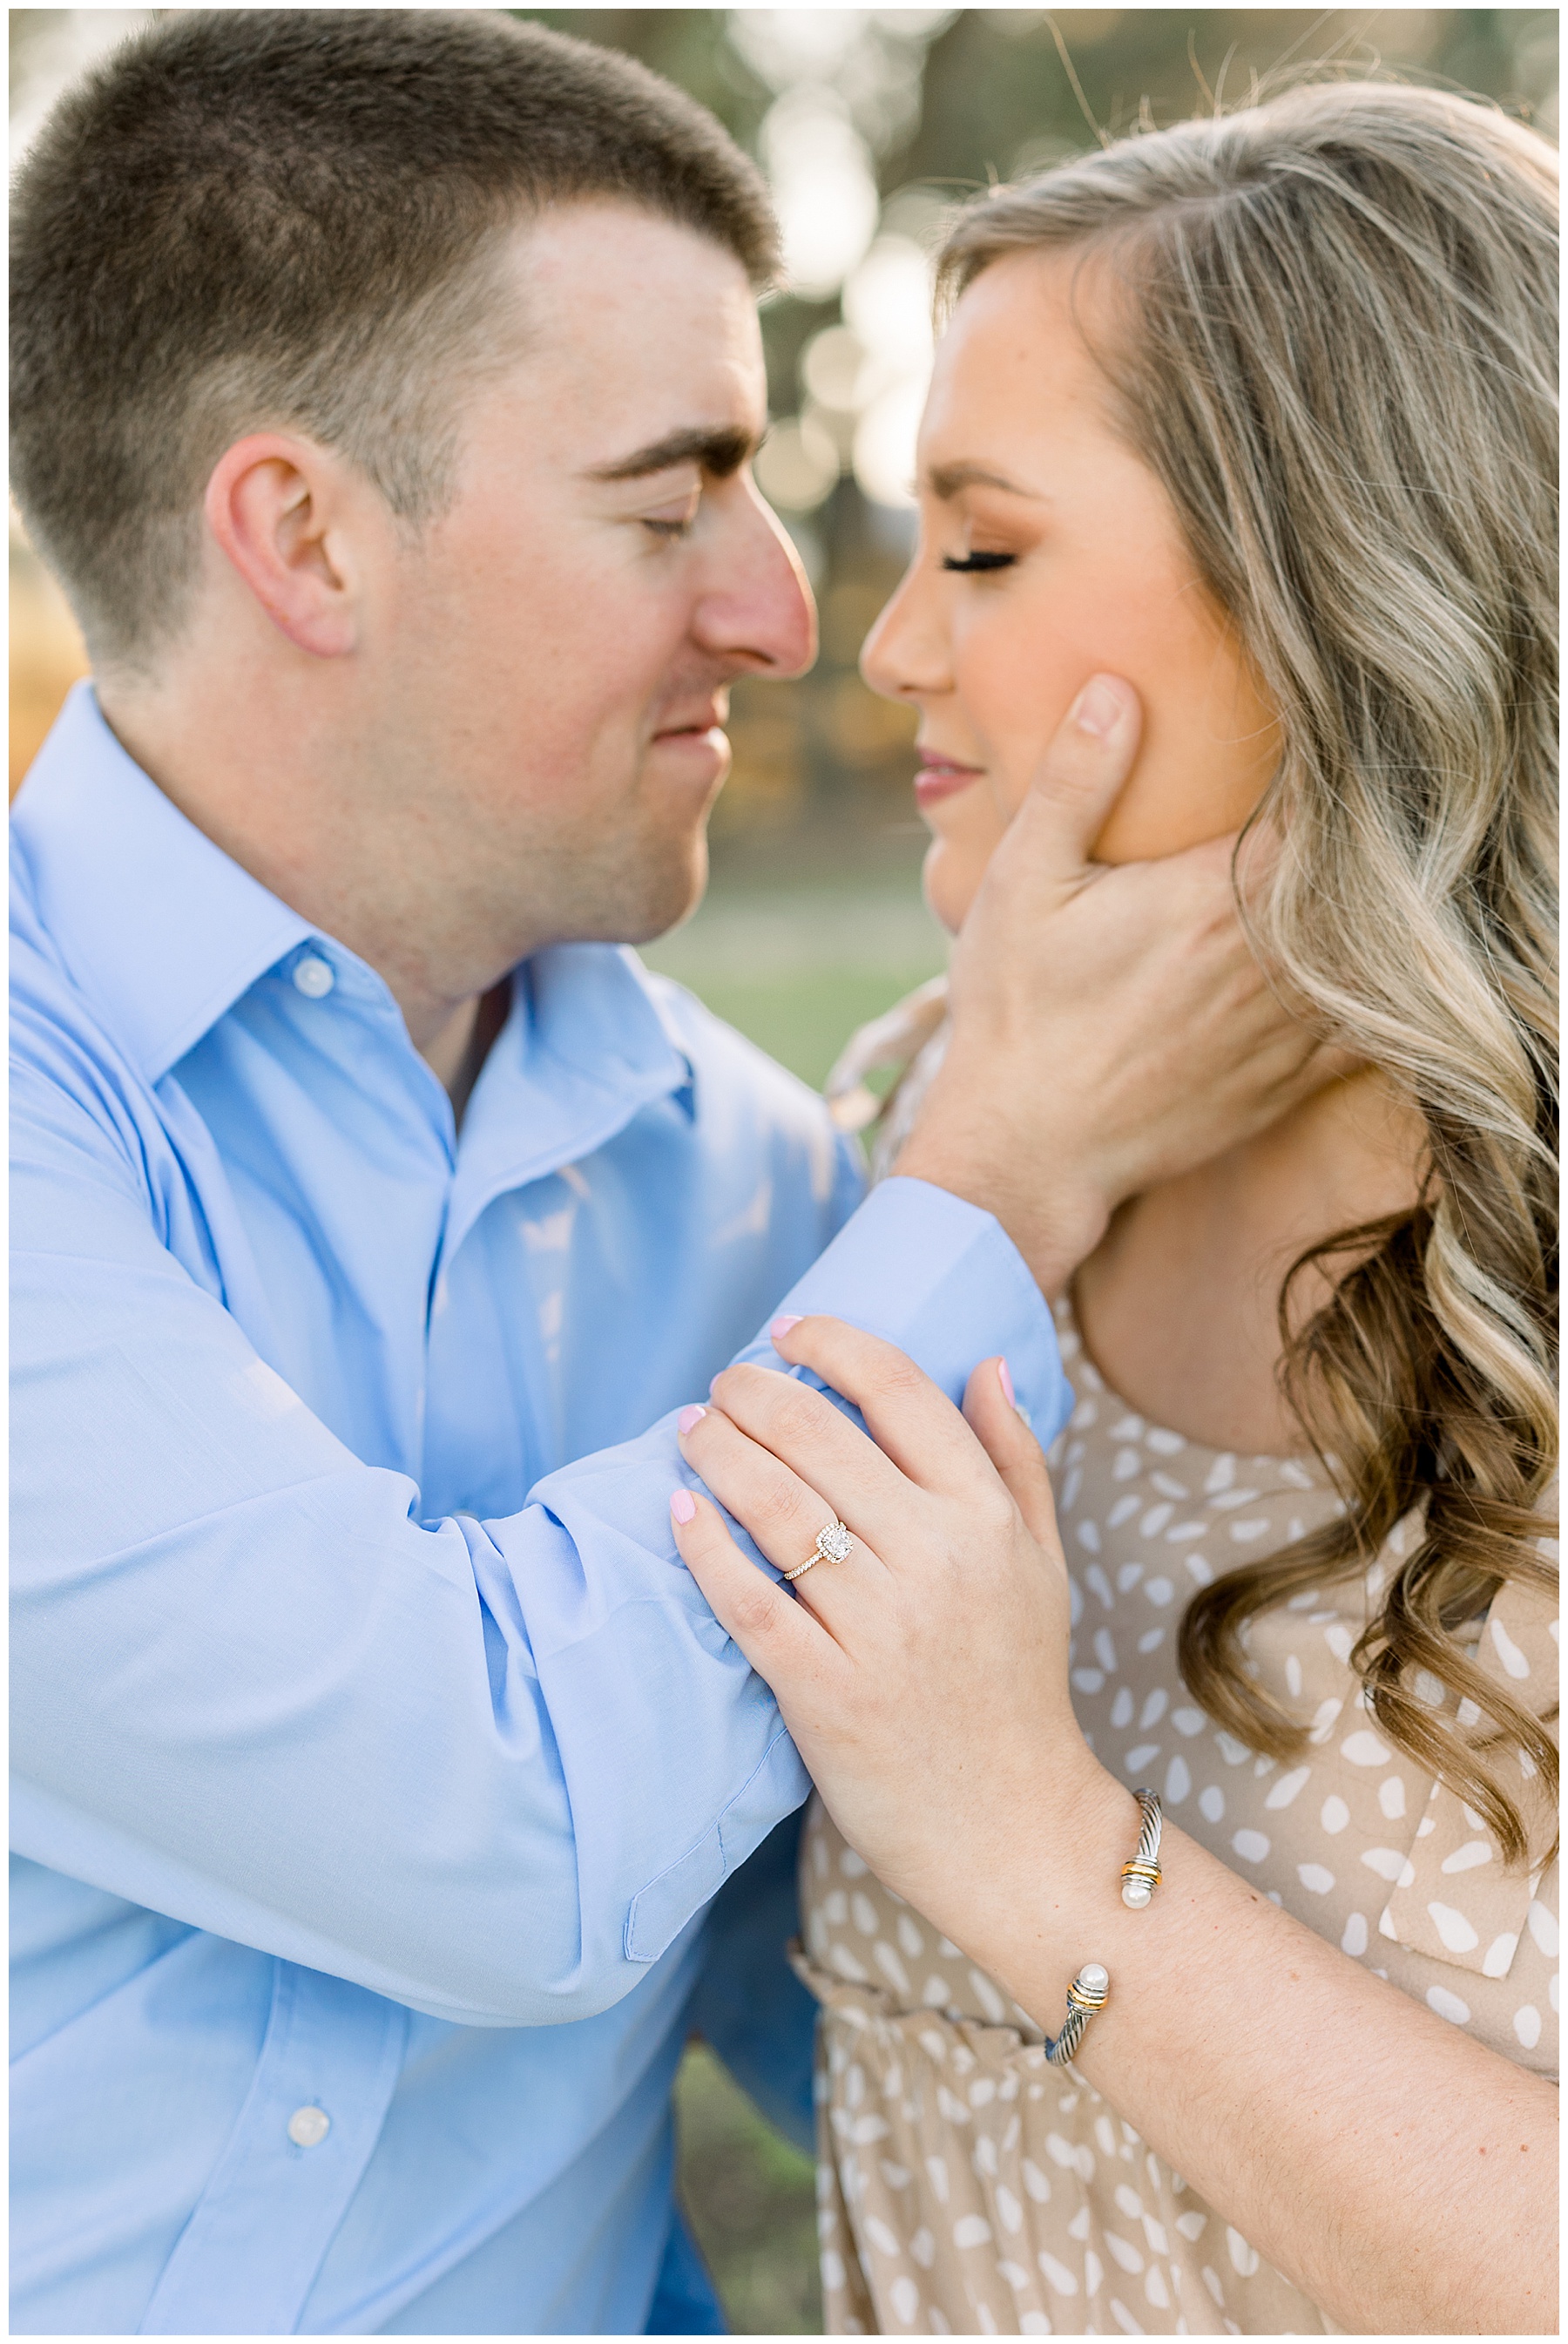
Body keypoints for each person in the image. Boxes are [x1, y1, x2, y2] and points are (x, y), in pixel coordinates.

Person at [8, 13, 1335, 2335]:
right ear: (303, 535)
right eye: (669, 498)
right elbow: (498, 1817)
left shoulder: (756, 1180)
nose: (789, 612)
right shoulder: (927, 1209)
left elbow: (872, 1986)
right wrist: (1003, 1175)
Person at [669, 79, 1559, 2338]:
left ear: (1343, 590)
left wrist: (1037, 1842)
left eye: (978, 550)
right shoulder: (911, 1151)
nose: (883, 652)